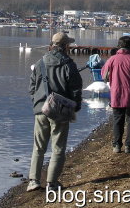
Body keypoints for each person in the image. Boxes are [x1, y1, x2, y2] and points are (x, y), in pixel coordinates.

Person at [27, 32, 83, 192]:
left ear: (51, 45)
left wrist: (37, 103)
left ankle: (33, 181)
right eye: (69, 45)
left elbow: (31, 88)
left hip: (40, 110)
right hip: (60, 110)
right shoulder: (69, 64)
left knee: (38, 147)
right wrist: (75, 106)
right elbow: (76, 89)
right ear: (66, 46)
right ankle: (52, 183)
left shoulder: (40, 63)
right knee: (58, 148)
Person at [100, 36, 130, 154]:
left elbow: (104, 77)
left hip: (116, 95)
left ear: (119, 46)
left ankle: (117, 145)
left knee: (118, 120)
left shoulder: (111, 60)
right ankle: (129, 145)